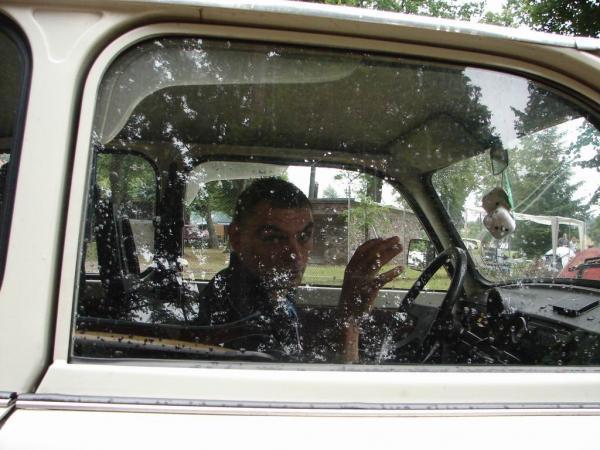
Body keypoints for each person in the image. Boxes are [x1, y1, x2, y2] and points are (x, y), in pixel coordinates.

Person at [197, 177, 403, 363]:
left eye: (304, 236)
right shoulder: (236, 313)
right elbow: (321, 388)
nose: (295, 254)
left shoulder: (269, 290)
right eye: (274, 238)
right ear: (237, 238)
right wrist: (349, 321)